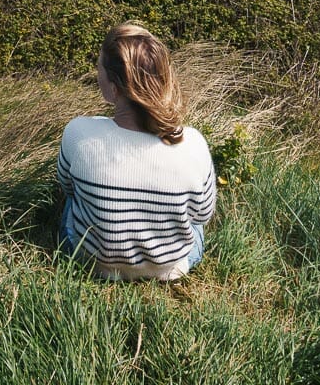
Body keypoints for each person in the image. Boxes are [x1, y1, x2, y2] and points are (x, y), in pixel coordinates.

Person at [57, 23, 216, 281]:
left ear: (114, 87)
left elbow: (67, 187)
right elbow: (203, 213)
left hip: (92, 261)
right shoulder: (193, 144)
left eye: (99, 68)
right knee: (195, 224)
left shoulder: (78, 132)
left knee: (72, 203)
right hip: (169, 268)